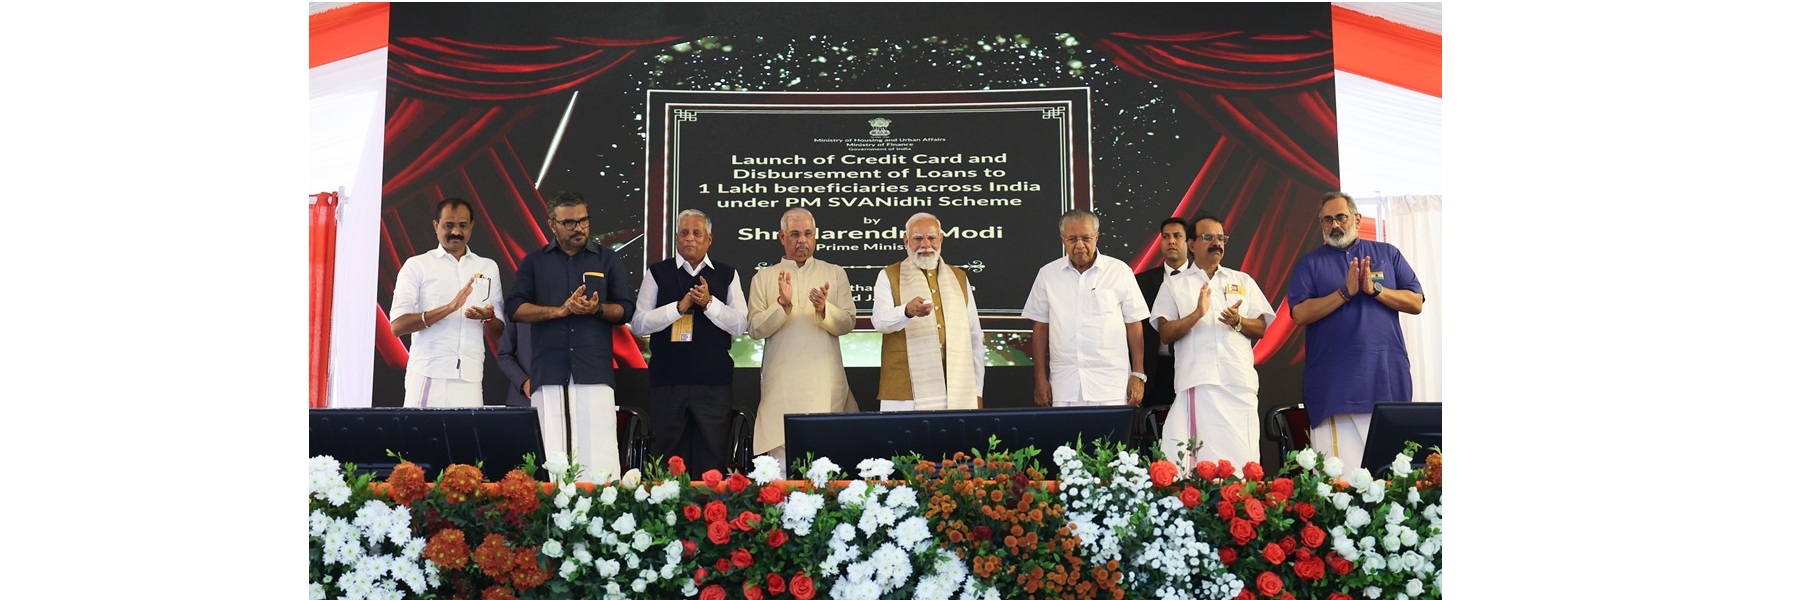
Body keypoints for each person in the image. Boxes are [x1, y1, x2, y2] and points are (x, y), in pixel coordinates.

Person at [1286, 191, 1425, 470]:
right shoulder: (1310, 264)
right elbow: (1299, 313)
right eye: (1327, 220)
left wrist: (1376, 291)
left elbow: (1416, 302)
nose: (1335, 225)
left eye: (1340, 217)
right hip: (1334, 387)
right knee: (1340, 483)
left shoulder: (1387, 254)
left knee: (1391, 479)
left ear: (1357, 219)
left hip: (1385, 378)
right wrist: (1344, 293)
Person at [505, 191, 637, 483]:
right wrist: (558, 311)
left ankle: (604, 518)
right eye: (569, 223)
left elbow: (626, 309)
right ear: (552, 225)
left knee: (600, 453)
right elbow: (514, 308)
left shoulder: (607, 260)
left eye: (583, 221)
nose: (578, 228)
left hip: (594, 368)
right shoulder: (534, 262)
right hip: (550, 370)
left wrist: (597, 309)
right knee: (553, 458)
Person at [1150, 215, 1275, 468]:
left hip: (1239, 383)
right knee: (1202, 463)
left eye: (1221, 238)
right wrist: (1197, 314)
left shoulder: (1242, 280)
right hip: (1200, 382)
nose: (1217, 243)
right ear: (1192, 244)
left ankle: (1240, 505)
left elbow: (1260, 327)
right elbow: (1165, 333)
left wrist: (1238, 321)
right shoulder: (1175, 285)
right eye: (1209, 238)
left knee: (1243, 459)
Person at [630, 209, 747, 476]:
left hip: (713, 384)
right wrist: (678, 308)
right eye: (684, 233)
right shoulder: (657, 273)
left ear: (709, 239)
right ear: (676, 238)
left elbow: (741, 325)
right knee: (670, 460)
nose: (689, 239)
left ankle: (709, 515)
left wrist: (708, 303)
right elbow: (638, 324)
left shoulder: (727, 274)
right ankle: (672, 516)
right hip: (668, 382)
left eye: (697, 233)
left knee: (712, 456)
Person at [747, 207, 856, 469]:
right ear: (781, 237)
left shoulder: (835, 273)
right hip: (781, 384)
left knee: (829, 467)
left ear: (815, 236)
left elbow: (847, 324)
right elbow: (754, 329)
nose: (802, 240)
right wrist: (782, 305)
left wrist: (824, 309)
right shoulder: (764, 277)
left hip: (825, 382)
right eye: (795, 234)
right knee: (783, 473)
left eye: (808, 233)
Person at [1023, 208, 1151, 407]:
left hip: (1112, 384)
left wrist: (1138, 373)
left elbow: (1134, 325)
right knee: (1066, 439)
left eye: (1086, 238)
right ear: (1062, 240)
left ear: (1097, 237)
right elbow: (1040, 329)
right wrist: (1040, 379)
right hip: (1065, 384)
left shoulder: (1119, 271)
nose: (1080, 245)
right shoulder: (1048, 275)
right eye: (1072, 239)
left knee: (1112, 439)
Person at [388, 197, 504, 408]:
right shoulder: (417, 266)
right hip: (428, 374)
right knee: (420, 440)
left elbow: (498, 330)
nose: (456, 232)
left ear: (472, 227)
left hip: (470, 377)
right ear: (436, 226)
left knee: (465, 440)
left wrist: (487, 317)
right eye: (449, 225)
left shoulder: (488, 267)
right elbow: (397, 326)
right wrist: (449, 308)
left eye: (462, 226)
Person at [872, 212, 985, 411]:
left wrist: (977, 389)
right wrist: (906, 311)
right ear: (906, 240)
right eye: (917, 239)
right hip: (904, 392)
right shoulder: (888, 275)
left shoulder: (959, 277)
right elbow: (880, 321)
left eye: (931, 238)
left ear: (940, 239)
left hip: (956, 387)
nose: (926, 245)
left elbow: (974, 335)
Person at [1135, 217, 1192, 410]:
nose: (1171, 241)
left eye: (1177, 236)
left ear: (1189, 242)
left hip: (1191, 367)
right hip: (1154, 368)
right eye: (1166, 237)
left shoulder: (1203, 280)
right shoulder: (1141, 282)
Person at [495, 322, 533, 408]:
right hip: (522, 401)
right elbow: (504, 355)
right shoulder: (517, 313)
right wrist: (523, 382)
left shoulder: (564, 312)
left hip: (561, 398)